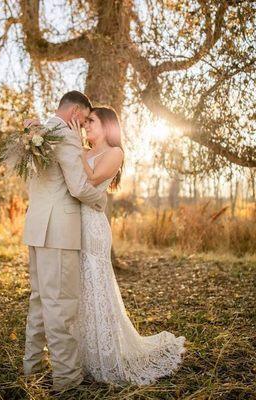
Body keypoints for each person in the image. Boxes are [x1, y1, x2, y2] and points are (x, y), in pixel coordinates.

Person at [68, 106, 186, 385]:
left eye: (91, 122)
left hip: (95, 227)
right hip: (75, 224)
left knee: (97, 283)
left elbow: (92, 180)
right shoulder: (83, 151)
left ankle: (106, 355)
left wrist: (76, 150)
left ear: (107, 125)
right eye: (84, 124)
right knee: (82, 286)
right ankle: (85, 355)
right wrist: (77, 150)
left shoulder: (115, 153)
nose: (86, 128)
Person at [22, 91, 107, 392]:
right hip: (59, 232)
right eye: (83, 119)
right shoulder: (65, 136)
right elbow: (79, 186)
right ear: (74, 112)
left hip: (36, 227)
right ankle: (67, 378)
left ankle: (30, 367)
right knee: (61, 305)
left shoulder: (37, 132)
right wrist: (102, 200)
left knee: (39, 301)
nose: (83, 127)